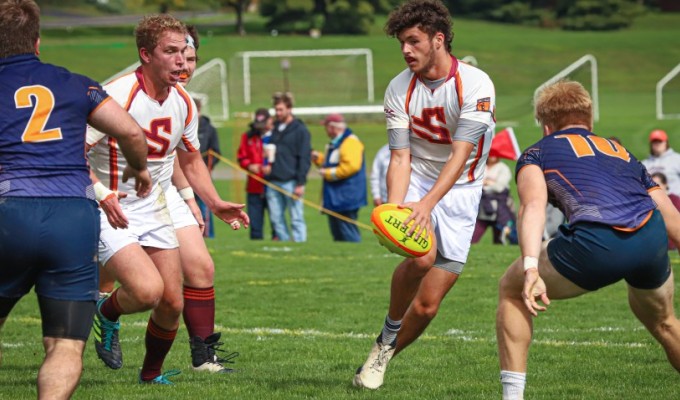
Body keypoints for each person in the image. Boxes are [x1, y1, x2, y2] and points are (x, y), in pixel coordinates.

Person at [0, 0, 151, 397]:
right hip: (72, 216)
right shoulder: (73, 82)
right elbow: (132, 134)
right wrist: (140, 170)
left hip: (9, 212)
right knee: (65, 344)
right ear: (37, 41)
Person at [88, 14, 248, 384]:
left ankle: (151, 377)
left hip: (157, 202)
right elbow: (72, 153)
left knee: (173, 301)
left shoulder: (184, 102)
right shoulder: (114, 96)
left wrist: (213, 201)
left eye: (185, 52)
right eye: (171, 52)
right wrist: (102, 193)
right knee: (146, 291)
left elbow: (190, 159)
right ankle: (106, 310)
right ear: (145, 55)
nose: (182, 60)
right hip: (110, 206)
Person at [496, 80, 680, 400]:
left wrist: (530, 269)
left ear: (546, 124)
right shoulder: (621, 151)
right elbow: (669, 214)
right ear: (590, 120)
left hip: (598, 243)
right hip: (650, 237)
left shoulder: (537, 152)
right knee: (665, 323)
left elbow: (532, 207)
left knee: (511, 290)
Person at [353, 0, 496, 389]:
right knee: (421, 258)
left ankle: (381, 350)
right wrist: (398, 211)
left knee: (429, 305)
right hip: (417, 180)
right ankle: (387, 338)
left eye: (413, 41)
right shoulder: (399, 87)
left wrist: (428, 204)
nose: (405, 50)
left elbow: (461, 153)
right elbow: (400, 157)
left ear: (438, 39)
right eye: (401, 42)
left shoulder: (477, 84)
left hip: (462, 188)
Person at [312, 113, 368, 242]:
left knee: (347, 232)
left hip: (346, 196)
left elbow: (351, 166)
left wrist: (327, 173)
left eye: (326, 126)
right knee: (338, 235)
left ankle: (354, 256)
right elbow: (334, 162)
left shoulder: (350, 142)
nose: (325, 130)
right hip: (337, 197)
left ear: (332, 127)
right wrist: (319, 159)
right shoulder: (337, 143)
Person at [264, 92, 312, 242]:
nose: (277, 113)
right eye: (276, 110)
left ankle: (300, 245)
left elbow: (305, 158)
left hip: (291, 181)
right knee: (275, 218)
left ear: (289, 109)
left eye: (280, 110)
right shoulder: (275, 128)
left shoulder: (300, 130)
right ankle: (285, 246)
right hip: (273, 180)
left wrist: (300, 183)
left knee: (296, 218)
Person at [238, 108, 277, 240]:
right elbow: (241, 157)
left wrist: (271, 167)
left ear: (270, 121)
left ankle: (277, 242)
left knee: (276, 221)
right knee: (255, 222)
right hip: (254, 186)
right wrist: (249, 165)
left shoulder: (277, 136)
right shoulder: (248, 137)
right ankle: (256, 243)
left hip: (273, 185)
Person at [193, 97, 221, 239]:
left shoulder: (209, 129)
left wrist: (207, 166)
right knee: (188, 207)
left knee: (206, 207)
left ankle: (208, 235)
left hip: (203, 176)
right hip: (186, 176)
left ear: (199, 110)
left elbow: (216, 153)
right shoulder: (182, 126)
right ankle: (192, 237)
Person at [471, 155, 515, 244]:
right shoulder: (481, 166)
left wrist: (485, 183)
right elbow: (474, 182)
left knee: (499, 238)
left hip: (499, 207)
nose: (492, 156)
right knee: (473, 237)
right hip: (482, 205)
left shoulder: (503, 168)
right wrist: (490, 183)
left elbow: (500, 187)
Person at [642, 129, 680, 197]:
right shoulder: (644, 164)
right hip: (654, 203)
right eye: (654, 142)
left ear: (666, 142)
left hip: (675, 202)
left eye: (659, 141)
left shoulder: (677, 159)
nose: (657, 144)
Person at [651, 172, 680, 250]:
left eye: (657, 185)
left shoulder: (674, 200)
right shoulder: (648, 202)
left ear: (665, 185)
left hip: (672, 241)